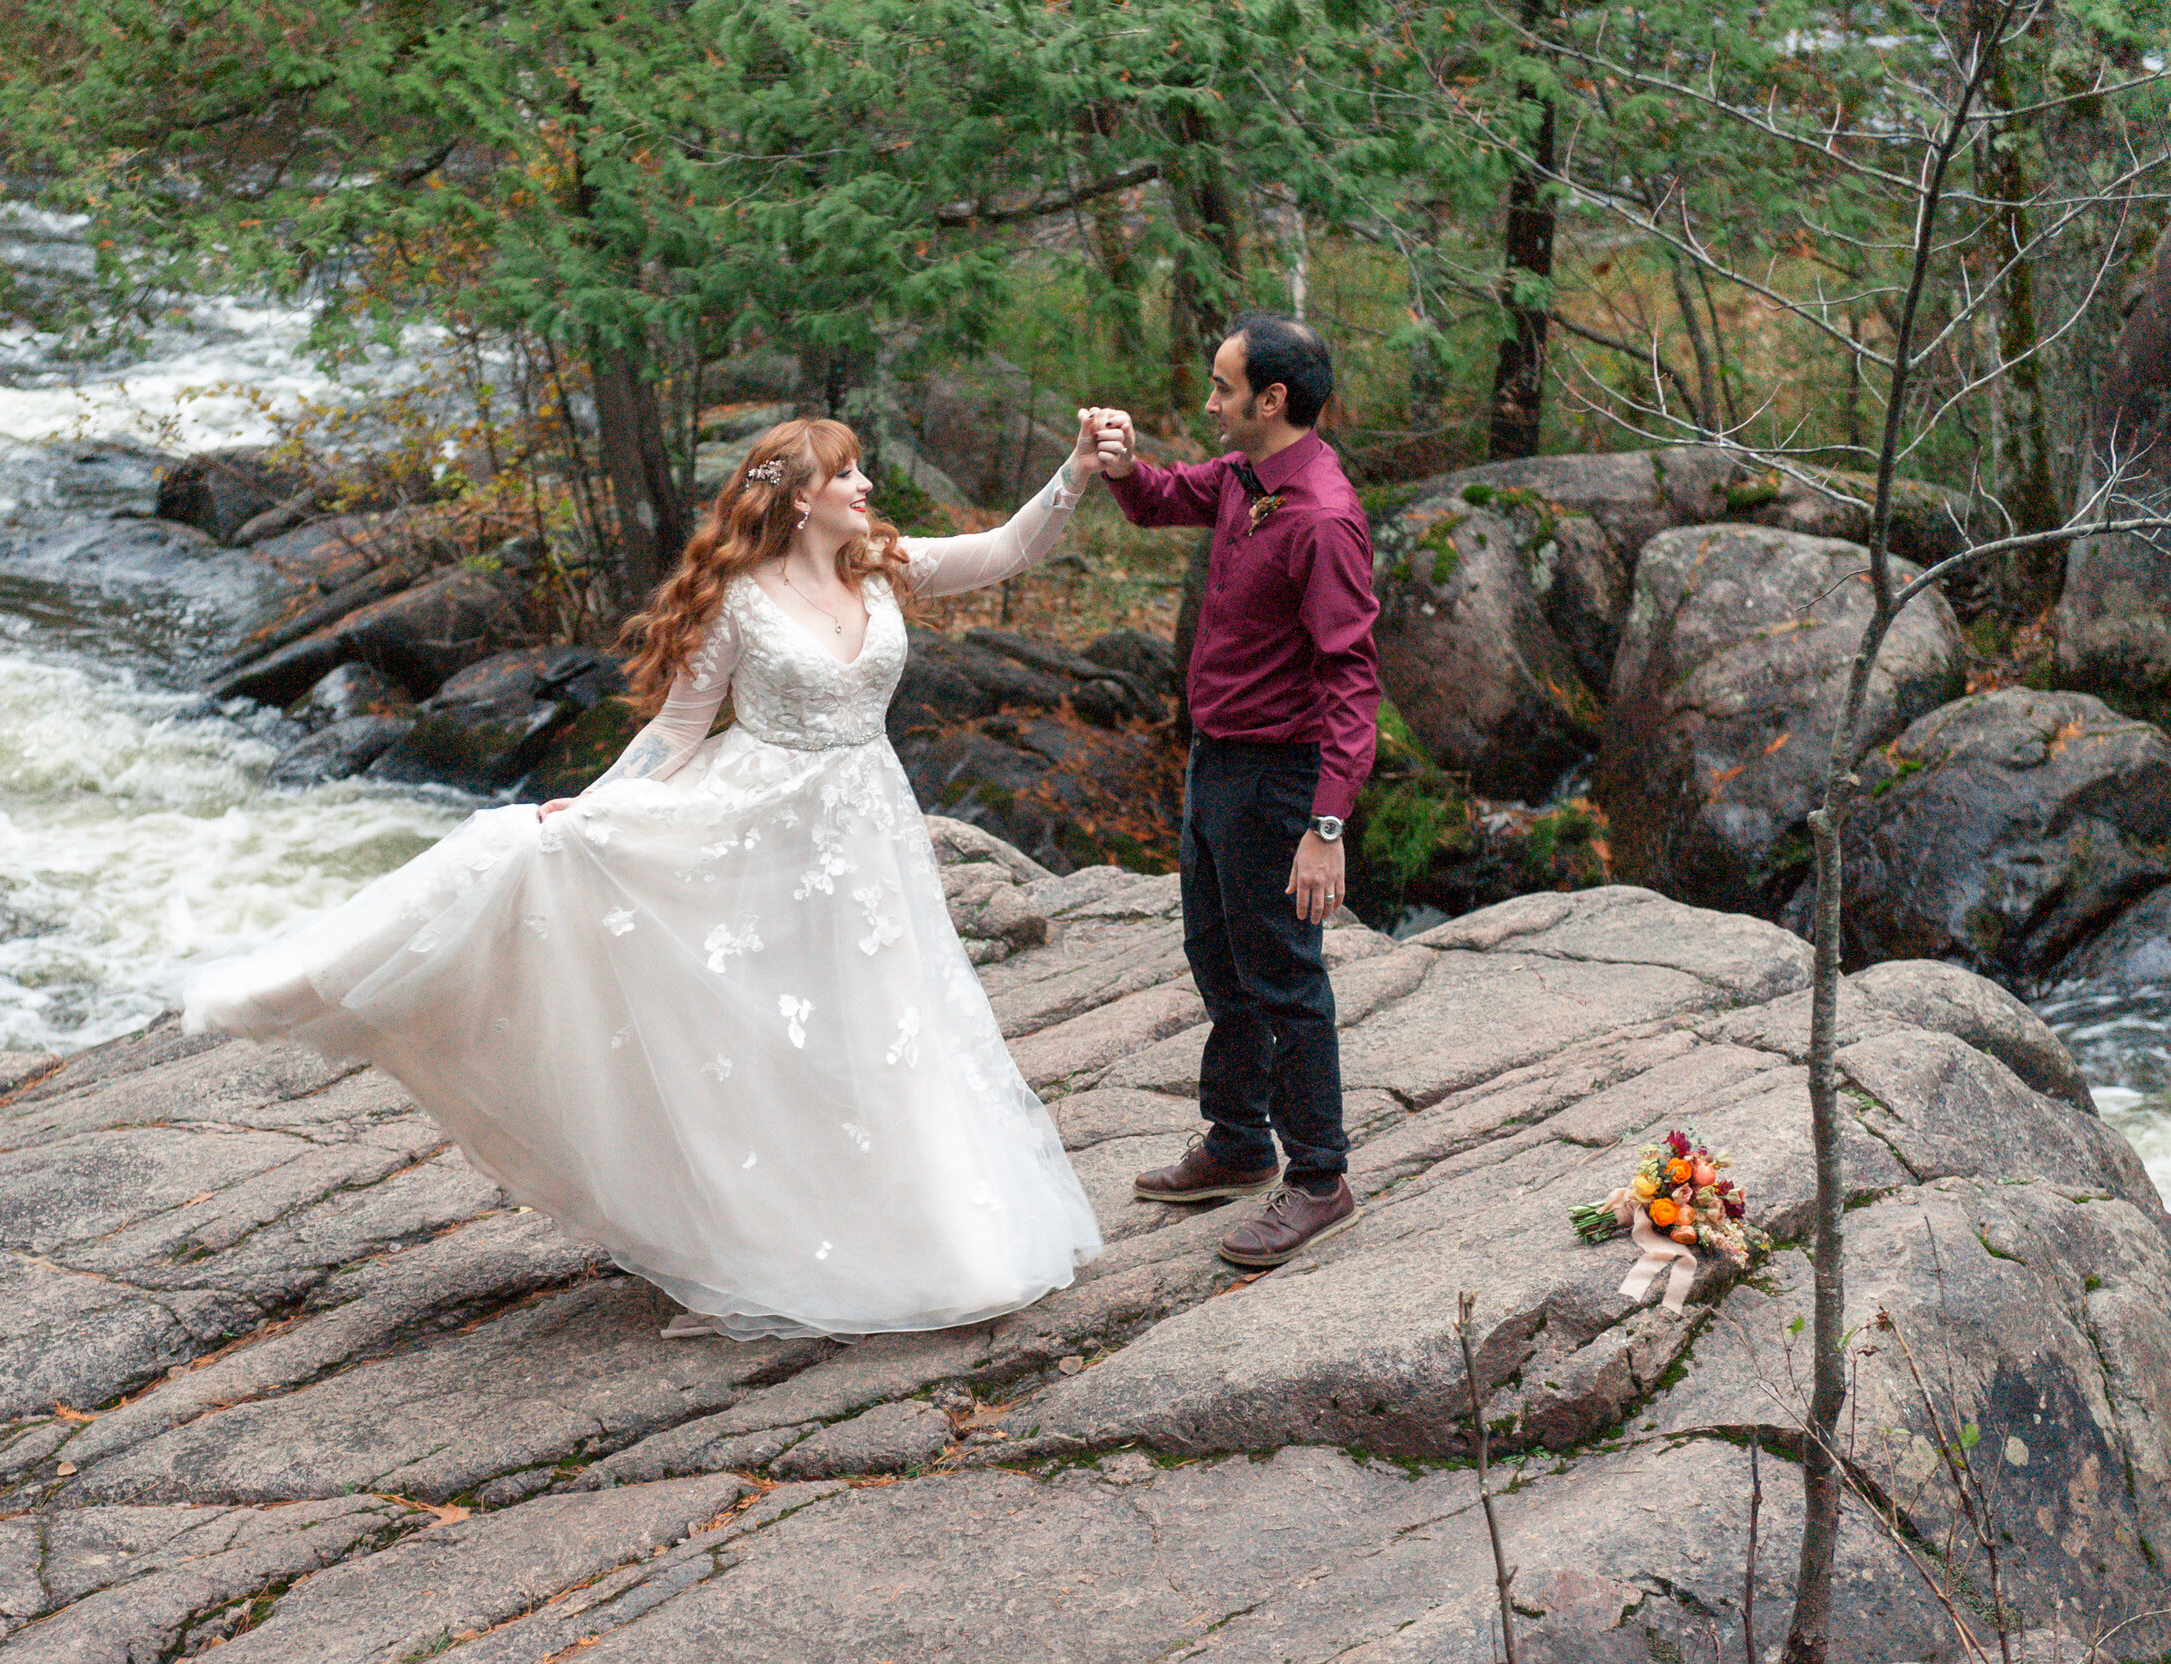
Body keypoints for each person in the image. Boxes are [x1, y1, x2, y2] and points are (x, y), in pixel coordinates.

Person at [183, 412, 1132, 1340]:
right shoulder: (741, 598)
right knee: (752, 1020)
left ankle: (941, 1241)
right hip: (757, 827)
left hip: (866, 836)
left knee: (886, 1025)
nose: (866, 486)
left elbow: (1007, 550)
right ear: (802, 501)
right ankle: (314, 983)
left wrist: (1078, 470)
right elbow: (680, 729)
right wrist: (590, 808)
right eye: (847, 475)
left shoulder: (881, 564)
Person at [1098, 313, 1382, 1268]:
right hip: (1215, 762)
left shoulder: (1321, 518)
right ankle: (1235, 1142)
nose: (1208, 403)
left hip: (1277, 779)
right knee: (1219, 959)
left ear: (1271, 401)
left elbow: (1353, 680)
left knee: (1284, 978)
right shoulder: (1246, 478)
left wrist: (1326, 824)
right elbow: (1157, 499)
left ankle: (1318, 1178)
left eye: (1222, 389)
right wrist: (1123, 464)